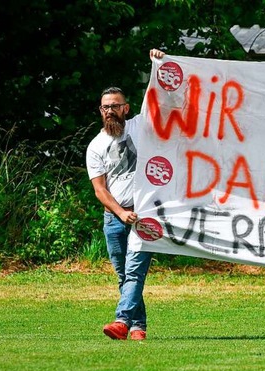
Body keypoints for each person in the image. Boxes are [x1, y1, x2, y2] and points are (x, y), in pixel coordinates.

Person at [86, 48, 165, 340]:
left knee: (134, 272)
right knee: (124, 275)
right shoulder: (95, 147)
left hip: (143, 214)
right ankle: (138, 326)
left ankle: (121, 321)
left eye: (115, 106)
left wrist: (158, 64)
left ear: (126, 108)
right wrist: (120, 213)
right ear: (100, 110)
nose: (110, 111)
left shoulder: (139, 127)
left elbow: (157, 100)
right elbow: (100, 189)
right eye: (106, 107)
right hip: (115, 219)